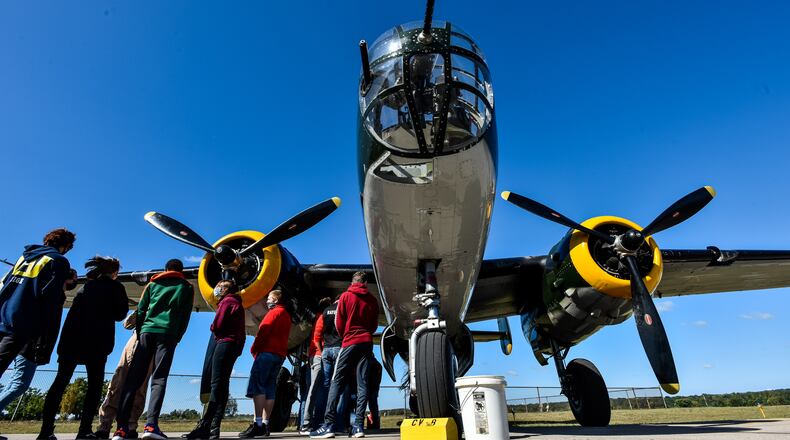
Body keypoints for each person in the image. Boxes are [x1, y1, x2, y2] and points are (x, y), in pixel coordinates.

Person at [39, 256, 128, 440]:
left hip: (71, 342)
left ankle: (45, 430)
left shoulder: (84, 287)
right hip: (97, 344)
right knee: (94, 387)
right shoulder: (116, 287)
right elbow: (120, 314)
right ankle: (84, 430)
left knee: (59, 383)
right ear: (114, 272)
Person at [112, 259, 194, 440]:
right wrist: (177, 336)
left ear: (166, 269)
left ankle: (121, 429)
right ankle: (150, 426)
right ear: (181, 270)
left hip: (147, 333)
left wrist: (142, 331)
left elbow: (141, 310)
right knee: (159, 378)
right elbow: (184, 315)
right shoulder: (186, 287)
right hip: (168, 334)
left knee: (133, 379)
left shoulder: (152, 284)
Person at [311, 272, 379, 439]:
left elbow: (339, 322)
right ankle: (358, 426)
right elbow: (374, 324)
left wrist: (346, 336)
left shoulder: (346, 297)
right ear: (365, 283)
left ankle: (328, 425)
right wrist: (366, 334)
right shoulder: (372, 300)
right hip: (367, 342)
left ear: (352, 282)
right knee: (363, 384)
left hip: (349, 341)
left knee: (336, 381)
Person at [0, 269, 77, 413]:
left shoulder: (51, 295)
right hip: (30, 346)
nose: (76, 281)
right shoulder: (55, 296)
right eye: (75, 278)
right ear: (67, 279)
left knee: (13, 384)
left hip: (25, 343)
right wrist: (40, 346)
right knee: (19, 385)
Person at [0, 228, 75, 373]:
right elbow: (50, 299)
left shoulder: (23, 257)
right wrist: (41, 336)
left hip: (2, 316)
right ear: (66, 245)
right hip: (20, 324)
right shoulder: (59, 261)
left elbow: (7, 285)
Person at [183, 279, 245, 439]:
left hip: (223, 343)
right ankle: (214, 427)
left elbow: (217, 325)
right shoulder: (238, 304)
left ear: (226, 289)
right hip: (232, 346)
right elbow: (242, 332)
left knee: (216, 384)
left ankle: (206, 425)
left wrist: (213, 328)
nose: (216, 289)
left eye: (219, 286)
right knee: (222, 384)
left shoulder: (226, 302)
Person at [239, 290, 292, 438]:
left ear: (276, 299)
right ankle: (266, 424)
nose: (267, 300)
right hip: (279, 355)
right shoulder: (287, 315)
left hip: (266, 353)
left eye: (269, 297)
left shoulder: (273, 313)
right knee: (270, 389)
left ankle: (257, 423)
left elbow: (263, 331)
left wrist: (254, 348)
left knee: (258, 387)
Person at [95, 318, 152, 439]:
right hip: (132, 346)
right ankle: (105, 425)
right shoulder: (146, 306)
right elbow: (127, 324)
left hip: (150, 348)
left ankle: (131, 425)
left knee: (140, 389)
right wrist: (139, 311)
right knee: (117, 386)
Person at [299, 297, 332, 434]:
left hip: (314, 356)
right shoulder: (322, 318)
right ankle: (306, 423)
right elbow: (317, 338)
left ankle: (308, 422)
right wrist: (323, 352)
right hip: (319, 356)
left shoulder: (316, 318)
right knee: (314, 389)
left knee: (313, 389)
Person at [365, 358, 382, 430]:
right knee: (374, 406)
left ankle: (359, 423)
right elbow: (379, 378)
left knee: (362, 405)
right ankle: (375, 423)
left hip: (367, 387)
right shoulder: (378, 364)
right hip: (374, 387)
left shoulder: (366, 362)